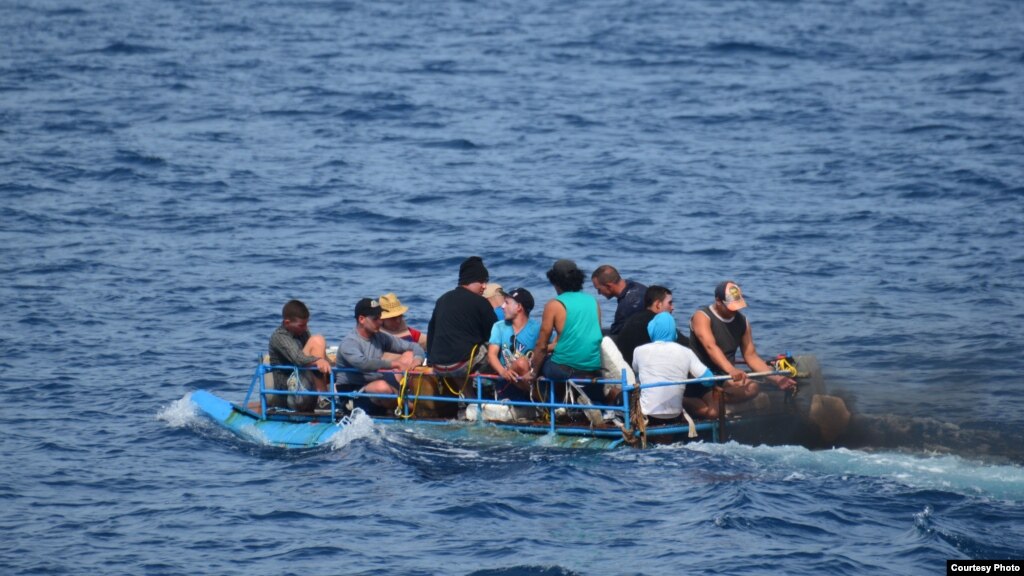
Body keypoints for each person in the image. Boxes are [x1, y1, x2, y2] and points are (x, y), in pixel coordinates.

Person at [687, 280, 797, 418]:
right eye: (731, 307)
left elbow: (751, 356)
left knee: (753, 388)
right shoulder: (702, 316)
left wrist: (776, 378)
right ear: (718, 301)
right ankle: (687, 401)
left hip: (723, 376)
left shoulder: (743, 322)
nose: (734, 310)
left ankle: (718, 397)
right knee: (714, 411)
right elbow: (711, 347)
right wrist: (731, 369)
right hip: (701, 375)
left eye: (737, 306)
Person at [529, 259, 606, 403]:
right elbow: (585, 337)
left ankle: (552, 405)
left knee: (541, 364)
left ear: (555, 281)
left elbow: (541, 345)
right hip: (593, 368)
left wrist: (533, 372)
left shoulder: (554, 305)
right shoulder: (593, 302)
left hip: (565, 369)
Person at [335, 298, 423, 414]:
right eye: (375, 319)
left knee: (409, 355)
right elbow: (363, 364)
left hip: (377, 381)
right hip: (353, 392)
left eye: (380, 318)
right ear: (361, 319)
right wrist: (395, 364)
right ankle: (413, 408)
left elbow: (413, 346)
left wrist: (417, 359)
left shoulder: (380, 337)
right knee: (382, 387)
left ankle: (405, 399)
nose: (380, 322)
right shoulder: (350, 342)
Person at [427, 256, 499, 396]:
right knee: (497, 350)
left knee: (461, 354)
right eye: (482, 281)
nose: (485, 286)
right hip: (460, 365)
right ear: (470, 280)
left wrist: (430, 362)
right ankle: (498, 393)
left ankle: (469, 399)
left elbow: (431, 332)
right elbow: (494, 335)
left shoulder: (442, 299)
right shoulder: (481, 302)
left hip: (438, 366)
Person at [632, 312, 713, 421]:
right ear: (675, 332)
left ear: (651, 330)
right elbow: (708, 380)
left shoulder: (639, 351)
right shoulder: (686, 352)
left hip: (647, 414)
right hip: (675, 414)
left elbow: (636, 371)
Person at [267, 299, 332, 411]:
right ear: (287, 323)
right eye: (301, 325)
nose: (306, 328)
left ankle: (329, 399)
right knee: (317, 340)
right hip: (289, 395)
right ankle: (323, 399)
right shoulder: (279, 337)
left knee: (320, 345)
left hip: (305, 389)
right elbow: (298, 358)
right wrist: (318, 360)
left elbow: (313, 354)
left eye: (306, 324)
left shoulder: (302, 332)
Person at [486, 287, 542, 400]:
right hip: (506, 381)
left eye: (506, 303)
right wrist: (503, 372)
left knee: (523, 363)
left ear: (519, 307)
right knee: (521, 362)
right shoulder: (499, 327)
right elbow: (491, 355)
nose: (502, 306)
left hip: (529, 378)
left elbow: (548, 347)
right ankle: (541, 401)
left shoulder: (537, 329)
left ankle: (537, 398)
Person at [613, 285, 690, 367]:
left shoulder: (633, 319)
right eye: (670, 303)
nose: (672, 307)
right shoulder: (659, 323)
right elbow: (685, 344)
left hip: (625, 366)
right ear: (658, 304)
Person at [591, 264, 647, 336]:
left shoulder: (627, 304)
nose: (599, 293)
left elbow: (616, 333)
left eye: (599, 289)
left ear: (609, 286)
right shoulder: (635, 285)